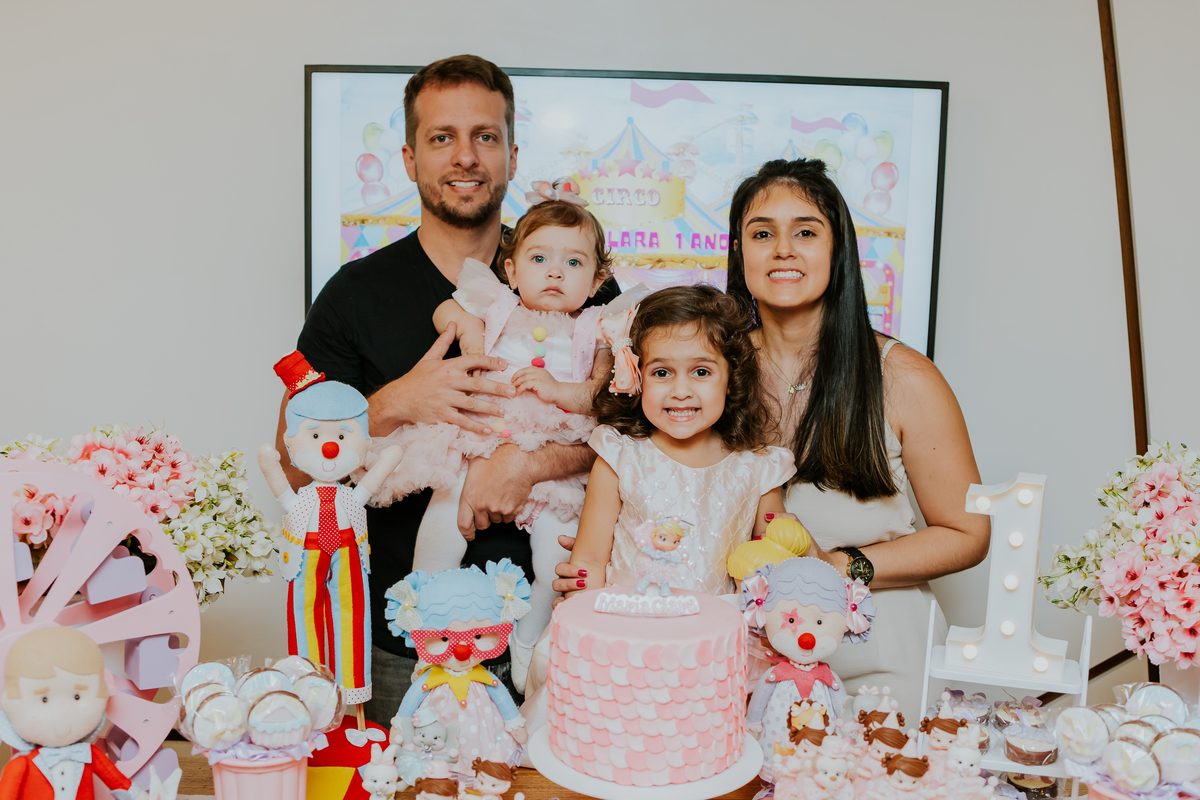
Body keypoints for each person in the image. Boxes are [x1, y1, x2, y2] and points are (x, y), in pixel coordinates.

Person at [279, 54, 618, 725]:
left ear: (513, 155)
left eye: (484, 137)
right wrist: (397, 401)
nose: (465, 157)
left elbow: (642, 439)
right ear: (408, 158)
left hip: (560, 640)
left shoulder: (576, 283)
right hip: (402, 645)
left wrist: (529, 463)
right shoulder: (355, 295)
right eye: (442, 138)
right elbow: (293, 464)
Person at [724, 157, 990, 721]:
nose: (783, 249)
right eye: (762, 233)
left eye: (806, 232)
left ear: (838, 251)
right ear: (739, 252)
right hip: (742, 665)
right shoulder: (710, 373)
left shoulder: (903, 376)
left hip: (881, 662)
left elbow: (967, 533)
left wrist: (837, 566)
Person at [365, 189, 632, 692]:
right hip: (486, 425)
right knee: (446, 505)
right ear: (511, 271)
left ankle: (533, 642)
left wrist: (560, 391)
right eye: (539, 259)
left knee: (558, 551)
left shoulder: (599, 326)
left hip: (555, 446)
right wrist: (468, 333)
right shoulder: (497, 304)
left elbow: (604, 399)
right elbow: (447, 309)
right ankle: (428, 614)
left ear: (598, 279)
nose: (554, 273)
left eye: (573, 262)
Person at [565, 285, 796, 597]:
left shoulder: (759, 468)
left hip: (715, 637)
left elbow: (771, 567)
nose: (681, 391)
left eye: (701, 371)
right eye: (662, 373)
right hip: (625, 630)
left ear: (731, 378)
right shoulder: (619, 456)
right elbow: (589, 560)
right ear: (636, 376)